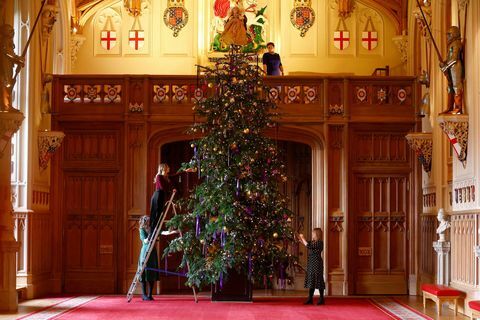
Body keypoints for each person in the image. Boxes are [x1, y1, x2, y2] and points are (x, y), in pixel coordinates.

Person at [297, 228, 325, 305]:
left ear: (317, 234)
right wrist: (300, 239)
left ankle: (322, 298)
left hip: (317, 263)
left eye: (313, 233)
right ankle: (310, 298)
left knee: (318, 279)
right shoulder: (313, 242)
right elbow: (307, 244)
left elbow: (308, 245)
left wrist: (303, 238)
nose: (312, 235)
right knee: (311, 279)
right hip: (311, 263)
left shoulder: (319, 243)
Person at [439, 26, 464, 114]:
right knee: (450, 88)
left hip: (455, 67)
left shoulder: (457, 43)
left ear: (454, 34)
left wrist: (446, 66)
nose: (447, 37)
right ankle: (450, 107)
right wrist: (443, 63)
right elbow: (449, 58)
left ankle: (458, 107)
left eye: (449, 34)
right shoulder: (451, 44)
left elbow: (454, 58)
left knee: (456, 86)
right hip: (450, 67)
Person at [1, 24, 24, 111]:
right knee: (6, 84)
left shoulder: (9, 41)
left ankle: (8, 104)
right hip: (4, 66)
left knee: (9, 83)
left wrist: (18, 60)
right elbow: (8, 53)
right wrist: (18, 59)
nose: (13, 33)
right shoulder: (5, 41)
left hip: (9, 66)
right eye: (11, 31)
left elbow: (10, 53)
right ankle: (6, 105)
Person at [137, 215, 159, 301]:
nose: (149, 223)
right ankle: (144, 294)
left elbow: (162, 232)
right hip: (145, 252)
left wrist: (173, 231)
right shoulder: (142, 230)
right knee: (144, 273)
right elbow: (145, 240)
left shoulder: (152, 229)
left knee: (152, 272)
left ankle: (150, 294)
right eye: (148, 221)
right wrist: (150, 235)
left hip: (152, 252)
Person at [150, 163, 173, 230]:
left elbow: (175, 174)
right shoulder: (159, 176)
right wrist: (171, 190)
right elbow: (163, 188)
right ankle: (151, 233)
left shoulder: (165, 177)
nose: (169, 168)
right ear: (164, 168)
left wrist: (185, 170)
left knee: (159, 215)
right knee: (155, 215)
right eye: (168, 167)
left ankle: (155, 231)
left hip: (161, 196)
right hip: (157, 196)